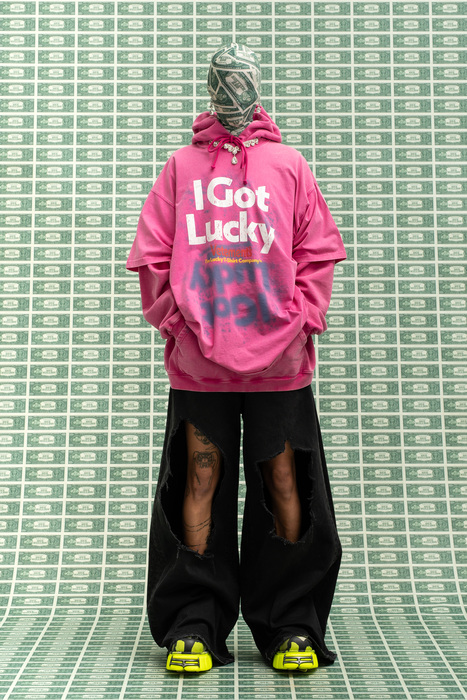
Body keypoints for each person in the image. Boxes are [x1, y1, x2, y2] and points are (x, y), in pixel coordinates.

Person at [126, 42, 347, 674]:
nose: (232, 94)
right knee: (197, 486)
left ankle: (292, 625)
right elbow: (152, 255)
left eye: (242, 82)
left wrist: (301, 319)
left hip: (283, 365)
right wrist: (178, 324)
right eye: (222, 83)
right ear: (209, 91)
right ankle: (194, 622)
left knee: (287, 487)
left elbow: (318, 251)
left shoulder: (289, 165)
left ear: (258, 88)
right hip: (200, 366)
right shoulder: (180, 168)